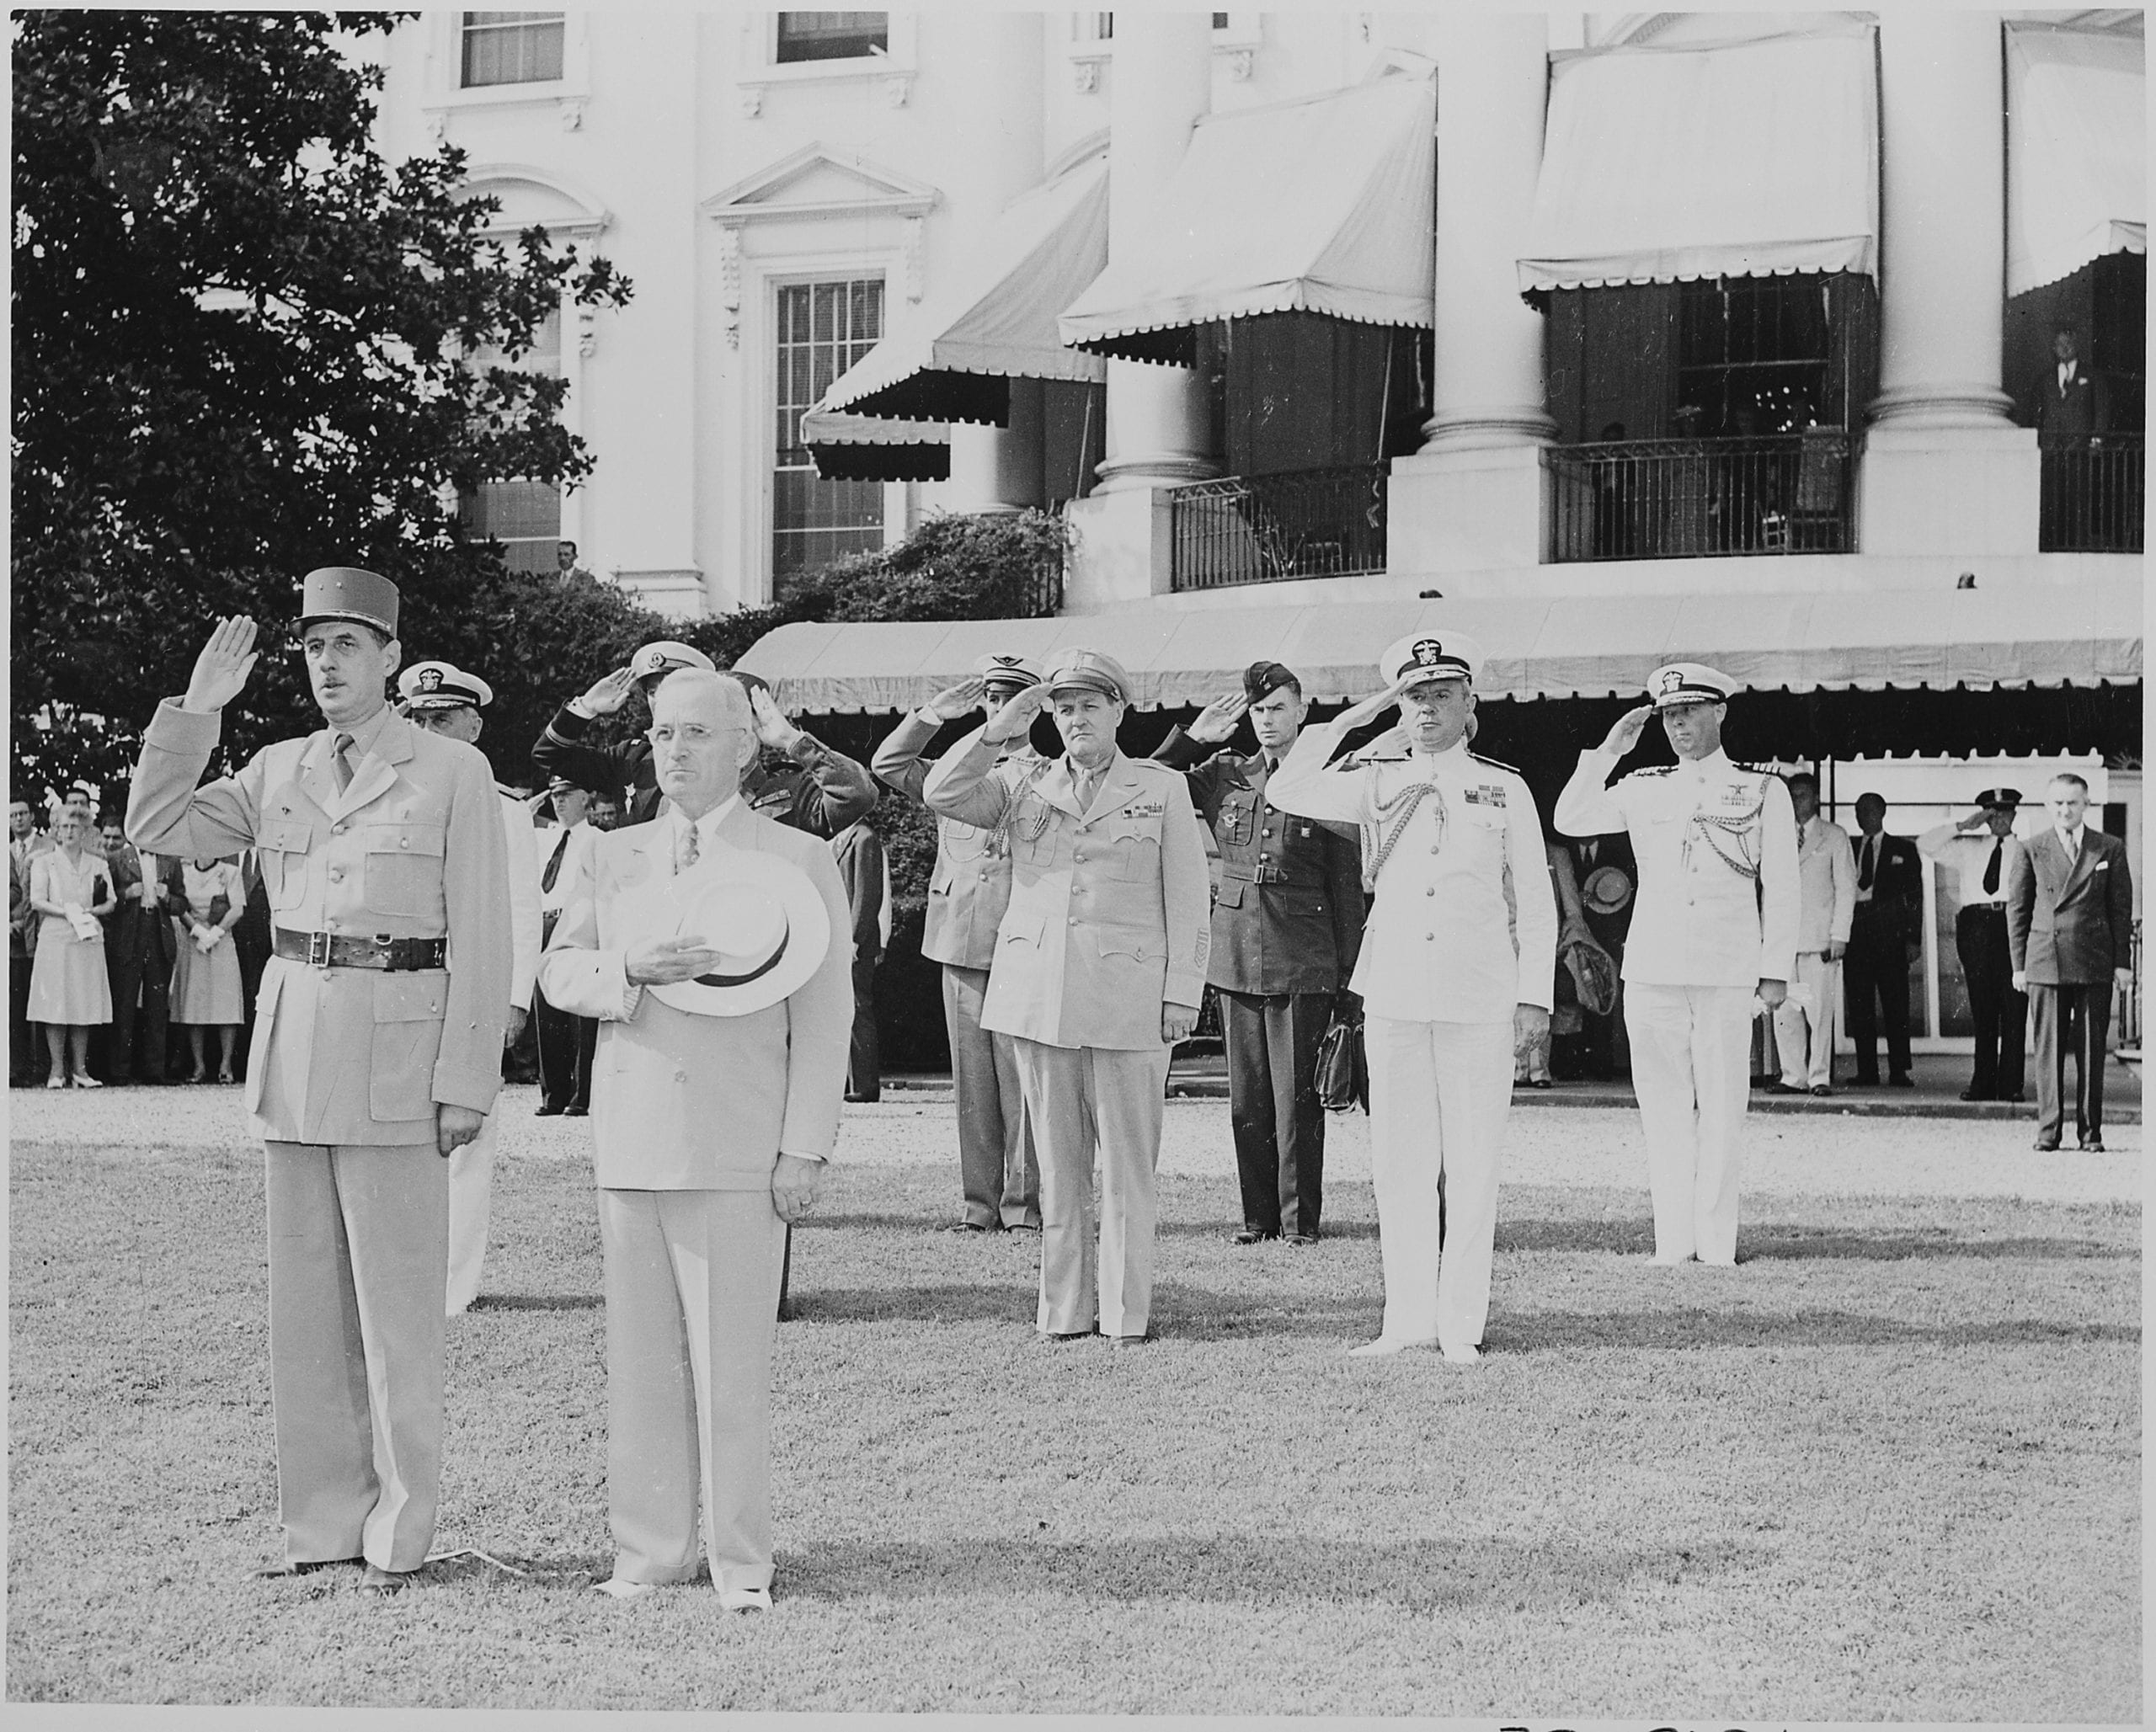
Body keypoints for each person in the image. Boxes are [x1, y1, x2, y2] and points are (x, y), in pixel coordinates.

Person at [126, 568, 512, 1595]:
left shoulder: (448, 772)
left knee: (395, 1317)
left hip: (399, 1054)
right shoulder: (276, 765)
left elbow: (482, 928)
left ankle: (401, 1527)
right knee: (305, 1316)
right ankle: (322, 1525)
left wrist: (467, 1073)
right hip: (297, 1056)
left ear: (390, 656)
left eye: (348, 644)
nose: (327, 664)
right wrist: (196, 712)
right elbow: (157, 827)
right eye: (312, 647)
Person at [536, 669, 850, 1609]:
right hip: (631, 1138)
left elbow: (826, 1018)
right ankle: (650, 1552)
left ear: (745, 747)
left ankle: (741, 1560)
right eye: (663, 733)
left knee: (731, 1365)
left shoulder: (798, 857)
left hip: (739, 1144)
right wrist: (622, 967)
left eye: (698, 734)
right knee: (640, 1364)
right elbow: (556, 972)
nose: (675, 751)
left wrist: (804, 1146)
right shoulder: (609, 851)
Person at [1269, 632, 1556, 1361]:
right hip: (1394, 989)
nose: (1426, 708)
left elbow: (1537, 898)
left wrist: (1535, 998)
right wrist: (1355, 718)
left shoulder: (1505, 786)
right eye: (1414, 695)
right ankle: (1406, 1321)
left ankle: (1461, 1324)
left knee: (1472, 1163)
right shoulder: (1376, 776)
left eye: (1440, 694)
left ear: (1469, 703)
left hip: (1479, 994)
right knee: (1397, 1164)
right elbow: (1287, 787)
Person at [923, 649, 1209, 1346]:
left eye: (1089, 704)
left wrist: (1181, 993)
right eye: (1063, 706)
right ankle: (1064, 1310)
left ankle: (1125, 1312)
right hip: (1040, 994)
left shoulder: (1161, 786)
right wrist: (998, 728)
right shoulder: (1022, 783)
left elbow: (1189, 898)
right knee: (1057, 1166)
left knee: (1128, 1168)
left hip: (1130, 996)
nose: (1074, 718)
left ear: (1120, 709)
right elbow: (939, 790)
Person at [1554, 663, 1798, 1266]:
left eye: (1689, 710)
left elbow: (1784, 886)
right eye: (1668, 713)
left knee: (1720, 1108)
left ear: (1720, 711)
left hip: (1724, 967)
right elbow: (1569, 818)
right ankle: (1673, 1242)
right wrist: (1610, 749)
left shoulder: (1763, 789)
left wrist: (1774, 970)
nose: (1678, 723)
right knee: (1662, 1110)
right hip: (1655, 967)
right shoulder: (1644, 784)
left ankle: (1716, 1245)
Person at [1152, 660, 1365, 1244]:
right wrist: (1196, 737)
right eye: (1258, 710)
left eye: (1277, 708)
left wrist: (1350, 977)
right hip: (1237, 952)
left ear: (1302, 710)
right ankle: (1259, 1220)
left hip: (1304, 953)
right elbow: (1147, 780)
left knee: (1297, 1100)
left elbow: (1346, 886)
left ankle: (1300, 1223)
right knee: (1247, 1101)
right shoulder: (1225, 772)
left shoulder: (1328, 775)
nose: (1267, 720)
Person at [870, 654, 1047, 1233]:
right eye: (992, 699)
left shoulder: (1051, 771)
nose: (1000, 709)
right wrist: (932, 715)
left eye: (1011, 700)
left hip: (1022, 939)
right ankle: (979, 1205)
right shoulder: (955, 765)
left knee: (1022, 1080)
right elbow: (888, 762)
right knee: (972, 1082)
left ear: (1033, 707)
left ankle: (1024, 1206)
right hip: (963, 937)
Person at [398, 659, 544, 1315]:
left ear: (475, 725)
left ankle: (453, 1287)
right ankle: (397, 1274)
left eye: (444, 719)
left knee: (465, 1141)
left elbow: (520, 907)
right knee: (394, 1134)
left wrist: (513, 996)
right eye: (419, 718)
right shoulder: (389, 791)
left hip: (471, 990)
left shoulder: (504, 808)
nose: (431, 729)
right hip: (399, 988)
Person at [532, 642, 877, 835]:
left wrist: (792, 741)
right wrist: (584, 710)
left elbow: (857, 796)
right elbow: (550, 756)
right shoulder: (636, 761)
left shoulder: (786, 790)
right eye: (653, 692)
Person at [2008, 773, 2134, 1154]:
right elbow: (2018, 911)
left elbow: (2120, 909)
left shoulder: (2108, 847)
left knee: (2092, 1052)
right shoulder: (2031, 848)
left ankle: (2091, 1133)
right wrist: (2019, 966)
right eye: (2058, 803)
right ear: (2048, 806)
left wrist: (2122, 962)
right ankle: (2048, 1131)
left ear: (2086, 804)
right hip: (2047, 960)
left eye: (2073, 803)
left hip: (2094, 960)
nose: (2065, 810)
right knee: (2048, 1051)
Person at [1919, 790, 2029, 1102]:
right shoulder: (1968, 847)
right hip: (1976, 928)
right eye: (1991, 815)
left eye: (2004, 813)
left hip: (2012, 925)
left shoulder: (2025, 849)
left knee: (2013, 1007)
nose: (1999, 820)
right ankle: (1983, 1083)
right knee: (1982, 1009)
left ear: (2014, 815)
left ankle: (2010, 1085)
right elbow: (1925, 844)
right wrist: (1963, 826)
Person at [1770, 772, 1854, 1098]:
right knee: (1785, 1011)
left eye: (1803, 795)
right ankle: (1793, 1076)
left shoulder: (1834, 836)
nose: (1797, 802)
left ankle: (1819, 1076)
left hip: (1820, 938)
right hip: (1783, 939)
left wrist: (1839, 936)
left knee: (1819, 1013)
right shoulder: (1776, 836)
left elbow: (1845, 889)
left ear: (1816, 798)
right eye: (1792, 796)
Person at [25, 806, 117, 1088]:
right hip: (56, 939)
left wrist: (92, 911)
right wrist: (66, 911)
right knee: (55, 1003)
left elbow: (111, 901)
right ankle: (56, 1071)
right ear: (55, 829)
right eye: (63, 827)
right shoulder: (44, 862)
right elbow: (37, 900)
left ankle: (80, 1070)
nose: (68, 832)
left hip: (87, 938)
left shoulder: (98, 863)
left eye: (74, 827)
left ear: (85, 831)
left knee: (82, 1002)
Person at [1844, 794, 1922, 1089]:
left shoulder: (1904, 849)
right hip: (1857, 932)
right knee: (1860, 1003)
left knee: (1895, 1004)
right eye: (1859, 811)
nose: (1864, 816)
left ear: (1883, 812)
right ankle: (1867, 1070)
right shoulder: (1849, 847)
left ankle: (1899, 1070)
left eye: (1870, 810)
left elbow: (1915, 896)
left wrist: (1913, 939)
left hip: (1891, 935)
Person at [535, 777, 601, 1117]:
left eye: (566, 795)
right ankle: (553, 1093)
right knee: (547, 1013)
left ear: (586, 798)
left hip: (576, 923)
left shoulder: (599, 841)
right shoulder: (544, 839)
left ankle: (581, 1094)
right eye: (555, 796)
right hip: (543, 922)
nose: (558, 803)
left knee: (580, 1015)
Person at [99, 818, 178, 1087]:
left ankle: (155, 1069)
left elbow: (181, 903)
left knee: (157, 1006)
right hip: (129, 934)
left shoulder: (170, 859)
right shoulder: (118, 859)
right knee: (125, 1004)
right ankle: (119, 1069)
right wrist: (126, 894)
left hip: (157, 931)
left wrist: (167, 896)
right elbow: (102, 899)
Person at [170, 853, 246, 1083]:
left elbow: (237, 908)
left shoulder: (229, 872)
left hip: (221, 940)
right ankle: (199, 1066)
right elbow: (179, 905)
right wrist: (198, 931)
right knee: (195, 1002)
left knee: (226, 1002)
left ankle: (225, 1065)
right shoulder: (183, 871)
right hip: (194, 940)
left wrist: (215, 934)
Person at [831, 814, 888, 1104]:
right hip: (843, 939)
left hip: (856, 942)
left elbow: (866, 894)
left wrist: (854, 938)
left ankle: (865, 1085)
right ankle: (850, 1082)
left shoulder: (864, 839)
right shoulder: (845, 838)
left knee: (858, 1009)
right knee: (847, 1011)